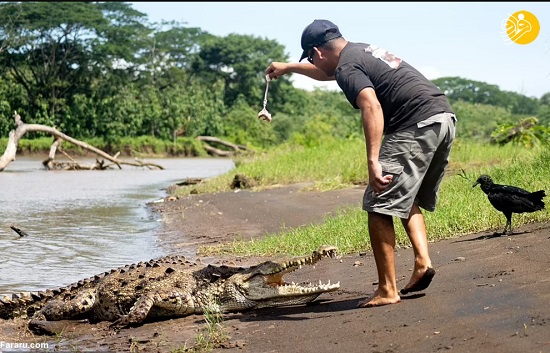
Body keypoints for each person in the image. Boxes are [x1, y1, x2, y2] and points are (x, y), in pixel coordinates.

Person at [265, 19, 456, 308]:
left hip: (413, 123)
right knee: (404, 194)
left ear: (316, 52)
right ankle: (422, 262)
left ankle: (387, 289)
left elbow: (370, 105)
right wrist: (289, 67)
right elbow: (328, 74)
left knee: (379, 201)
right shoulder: (358, 51)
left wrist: (372, 162)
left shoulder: (346, 66)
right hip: (442, 118)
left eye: (311, 59)